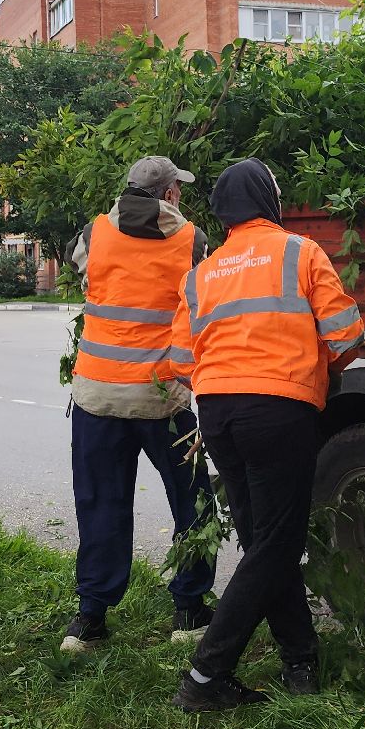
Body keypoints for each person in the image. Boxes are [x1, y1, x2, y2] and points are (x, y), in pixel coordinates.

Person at [167, 159, 364, 712]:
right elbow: (346, 336)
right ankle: (206, 676)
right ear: (270, 201)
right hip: (279, 410)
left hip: (219, 416)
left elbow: (181, 360)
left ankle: (300, 659)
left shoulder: (201, 274)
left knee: (264, 544)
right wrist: (317, 364)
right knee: (277, 543)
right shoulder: (300, 252)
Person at [60, 155, 218, 652]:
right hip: (162, 399)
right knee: (192, 502)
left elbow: (76, 265)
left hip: (97, 396)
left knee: (101, 503)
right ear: (170, 194)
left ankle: (91, 619)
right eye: (178, 191)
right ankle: (189, 609)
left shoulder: (93, 235)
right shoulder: (193, 242)